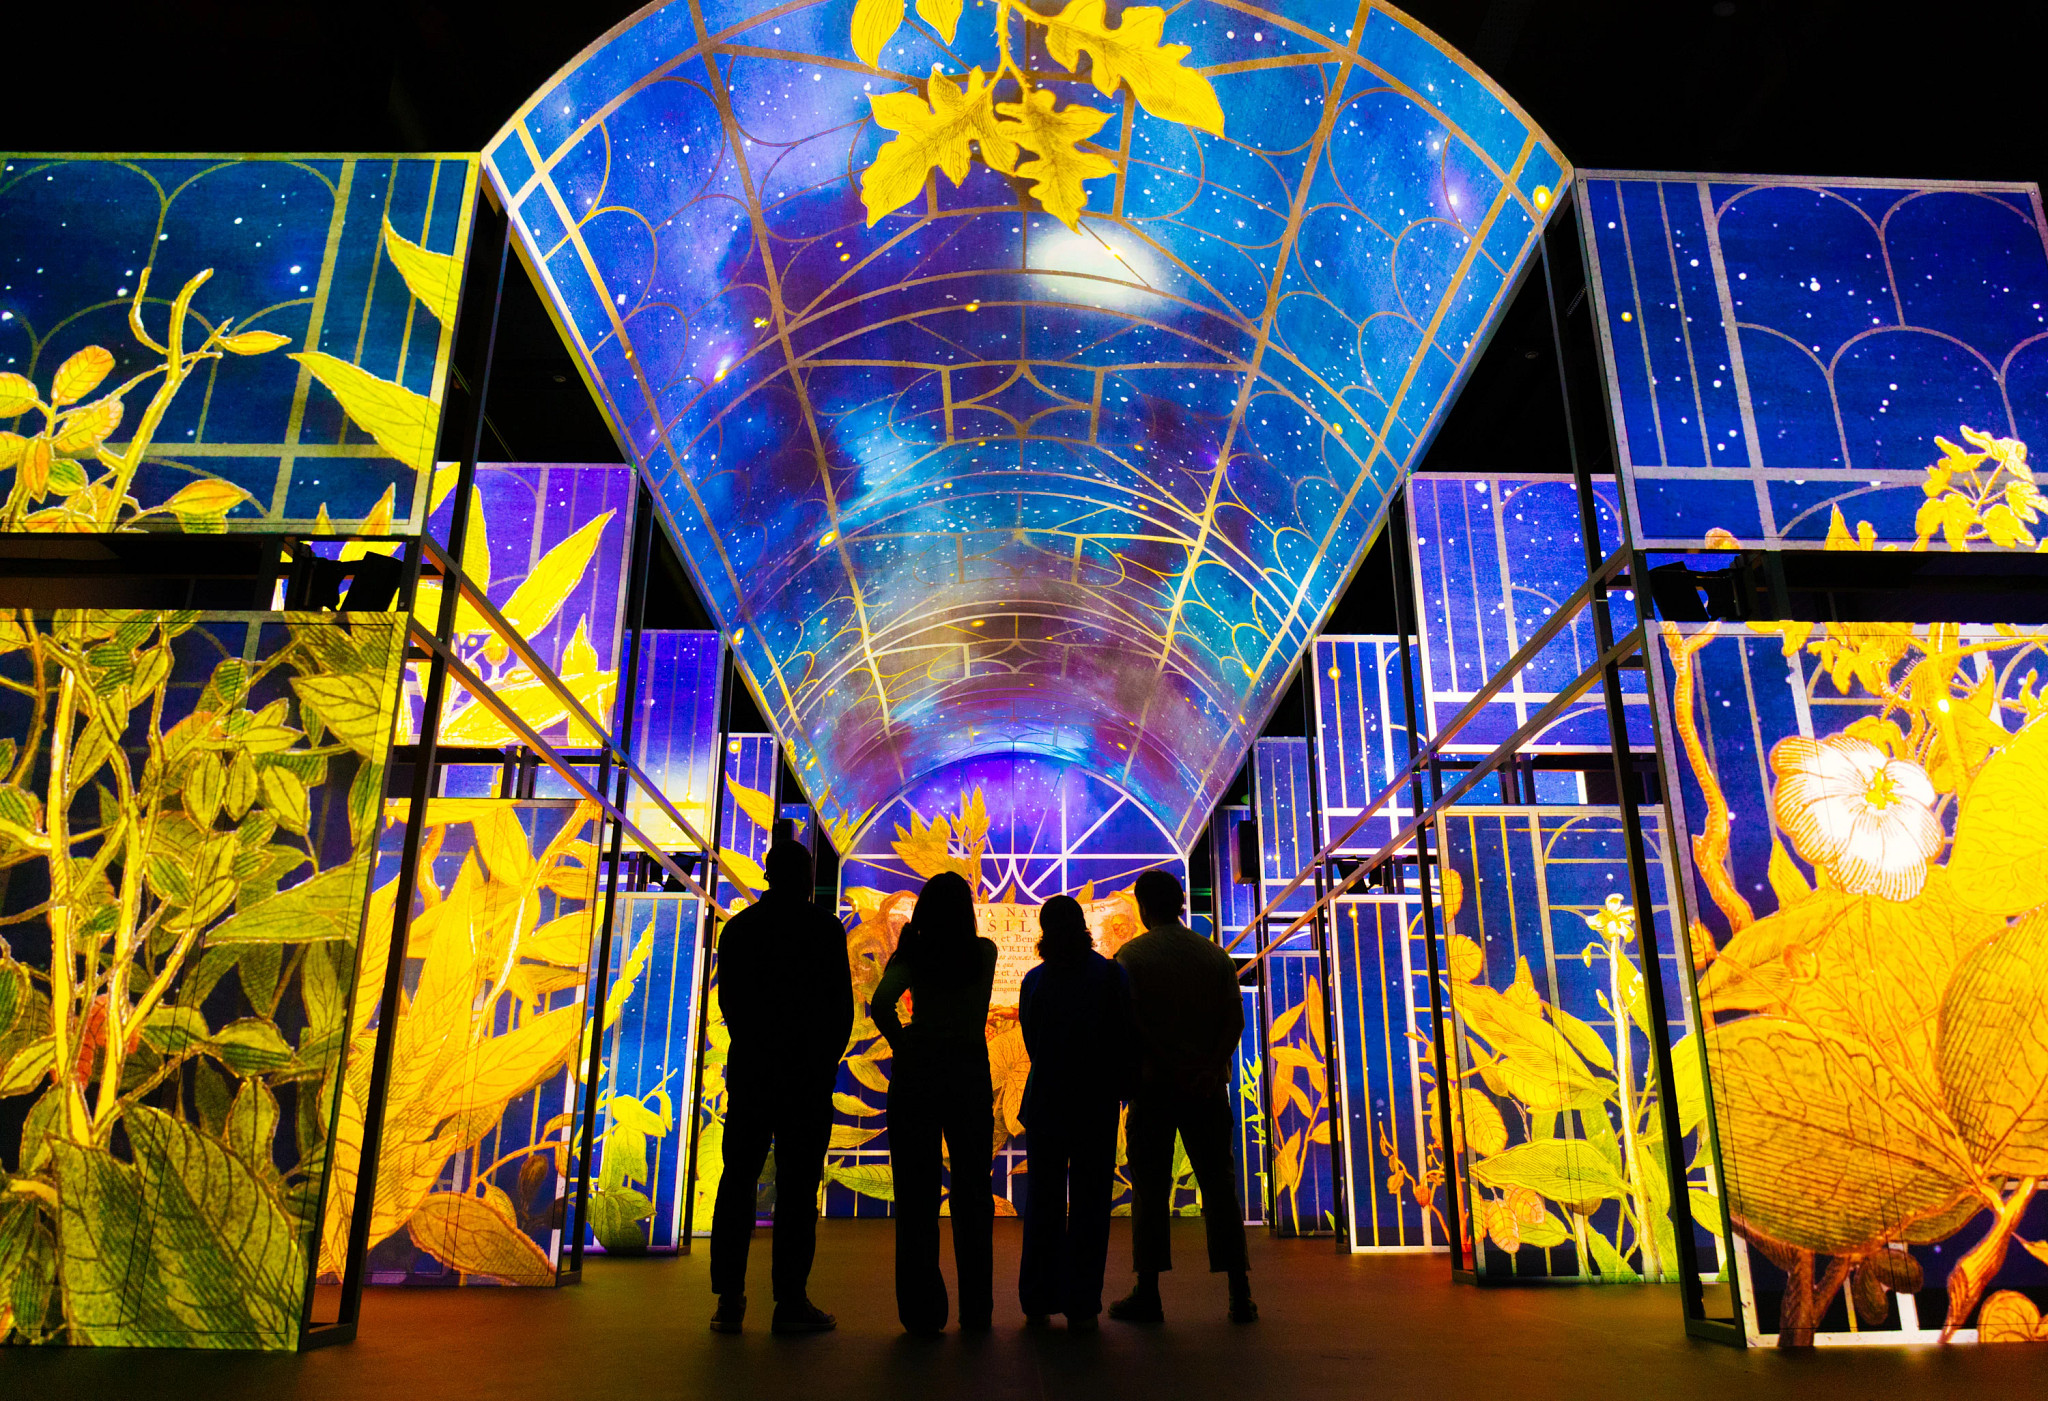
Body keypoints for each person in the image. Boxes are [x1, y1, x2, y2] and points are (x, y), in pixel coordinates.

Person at [708, 840, 853, 1335]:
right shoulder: (824, 930)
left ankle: (730, 1298)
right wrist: (821, 1063)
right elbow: (840, 1011)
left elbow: (731, 1003)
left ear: (768, 874)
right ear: (808, 877)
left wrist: (757, 1047)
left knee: (737, 1182)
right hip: (806, 1081)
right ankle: (790, 1300)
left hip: (752, 1074)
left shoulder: (740, 929)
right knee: (797, 1191)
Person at [1109, 868, 1258, 1324]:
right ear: (1179, 904)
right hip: (1207, 1090)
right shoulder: (1213, 956)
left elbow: (1129, 1025)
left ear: (1142, 905)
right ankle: (1239, 1293)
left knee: (1150, 1191)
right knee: (1219, 1186)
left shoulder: (1129, 958)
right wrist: (1210, 1067)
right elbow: (1235, 1020)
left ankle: (1148, 1292)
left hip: (1153, 1089)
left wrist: (1164, 1064)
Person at [871, 870, 999, 1334]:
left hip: (918, 1073)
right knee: (972, 1192)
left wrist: (903, 1044)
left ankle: (922, 1313)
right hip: (968, 1072)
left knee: (916, 1195)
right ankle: (976, 1310)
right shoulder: (984, 953)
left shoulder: (914, 956)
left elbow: (880, 1003)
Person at [1017, 895, 1136, 1331]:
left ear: (1045, 932)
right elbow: (1125, 1036)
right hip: (1095, 1103)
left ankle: (1038, 1297)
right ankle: (1082, 1301)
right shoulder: (1110, 976)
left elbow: (1032, 1043)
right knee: (1090, 1205)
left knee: (1043, 1202)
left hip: (1047, 1100)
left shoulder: (1034, 981)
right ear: (1083, 926)